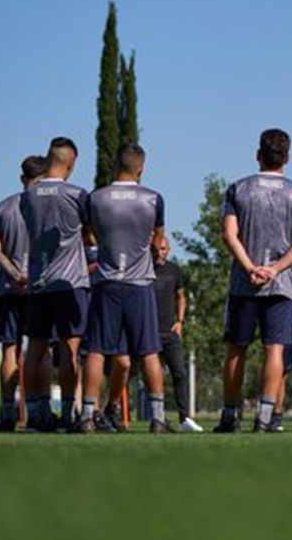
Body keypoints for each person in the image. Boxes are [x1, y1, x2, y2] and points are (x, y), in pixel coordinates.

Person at [216, 129, 292, 433]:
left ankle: (230, 417)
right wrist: (275, 268)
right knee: (275, 350)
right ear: (287, 157)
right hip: (281, 286)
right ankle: (264, 417)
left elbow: (229, 234)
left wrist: (250, 267)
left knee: (237, 349)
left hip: (244, 284)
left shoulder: (238, 189)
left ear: (258, 154)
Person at [76, 144, 171, 433]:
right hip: (139, 283)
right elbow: (158, 239)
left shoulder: (96, 198)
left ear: (115, 165)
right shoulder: (153, 199)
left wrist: (104, 244)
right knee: (149, 351)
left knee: (96, 350)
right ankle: (158, 418)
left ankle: (88, 417)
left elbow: (87, 235)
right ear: (140, 169)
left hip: (106, 282)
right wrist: (153, 255)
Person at [21, 137, 91, 432]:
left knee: (35, 349)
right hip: (70, 282)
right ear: (70, 163)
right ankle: (67, 414)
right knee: (69, 350)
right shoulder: (77, 194)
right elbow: (90, 234)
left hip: (38, 282)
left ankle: (36, 414)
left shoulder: (28, 195)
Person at [0, 154, 48, 431]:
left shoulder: (3, 208)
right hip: (40, 289)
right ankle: (38, 411)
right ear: (44, 177)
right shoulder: (49, 206)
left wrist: (15, 274)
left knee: (10, 350)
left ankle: (8, 413)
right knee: (40, 349)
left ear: (22, 178)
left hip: (11, 289)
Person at [152, 235, 202, 432]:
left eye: (163, 249)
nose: (160, 252)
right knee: (146, 376)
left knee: (179, 373)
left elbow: (181, 297)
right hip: (149, 333)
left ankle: (184, 419)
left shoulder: (174, 271)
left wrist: (180, 321)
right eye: (157, 249)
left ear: (169, 250)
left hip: (170, 332)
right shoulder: (143, 270)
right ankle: (157, 418)